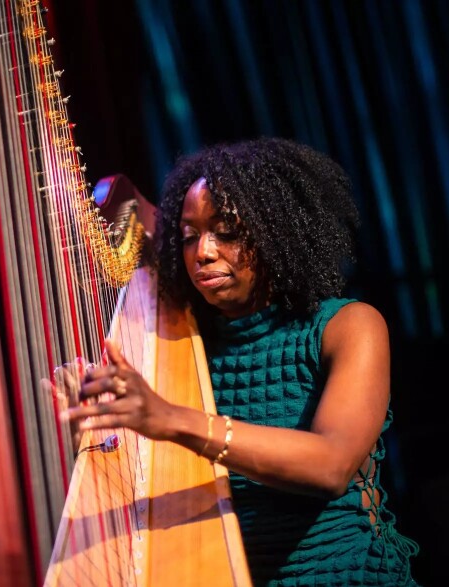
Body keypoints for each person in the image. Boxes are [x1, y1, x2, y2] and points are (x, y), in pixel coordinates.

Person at [62, 138, 419, 585]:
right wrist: (93, 422)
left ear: (277, 230)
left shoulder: (347, 326)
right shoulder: (180, 348)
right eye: (189, 236)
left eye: (226, 231)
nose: (203, 252)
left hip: (340, 575)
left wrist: (172, 418)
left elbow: (331, 465)